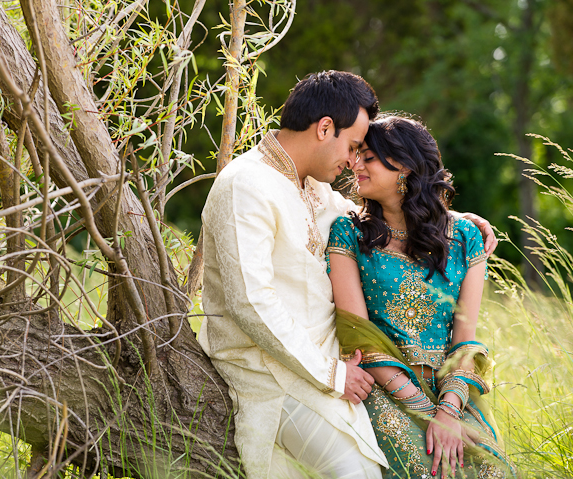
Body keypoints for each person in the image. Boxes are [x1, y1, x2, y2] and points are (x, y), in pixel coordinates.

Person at [198, 71, 497, 479]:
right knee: (359, 471)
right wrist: (332, 373)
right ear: (325, 128)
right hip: (275, 373)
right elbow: (249, 301)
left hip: (341, 370)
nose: (353, 161)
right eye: (354, 146)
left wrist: (456, 220)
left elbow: (388, 214)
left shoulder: (313, 189)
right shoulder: (246, 185)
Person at [326, 115, 515, 478]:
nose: (355, 164)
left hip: (451, 391)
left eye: (368, 157)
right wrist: (428, 415)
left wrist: (448, 411)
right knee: (428, 467)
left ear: (405, 168)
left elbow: (465, 342)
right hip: (384, 387)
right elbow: (361, 339)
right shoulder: (348, 233)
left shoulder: (464, 237)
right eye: (357, 154)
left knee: (491, 470)